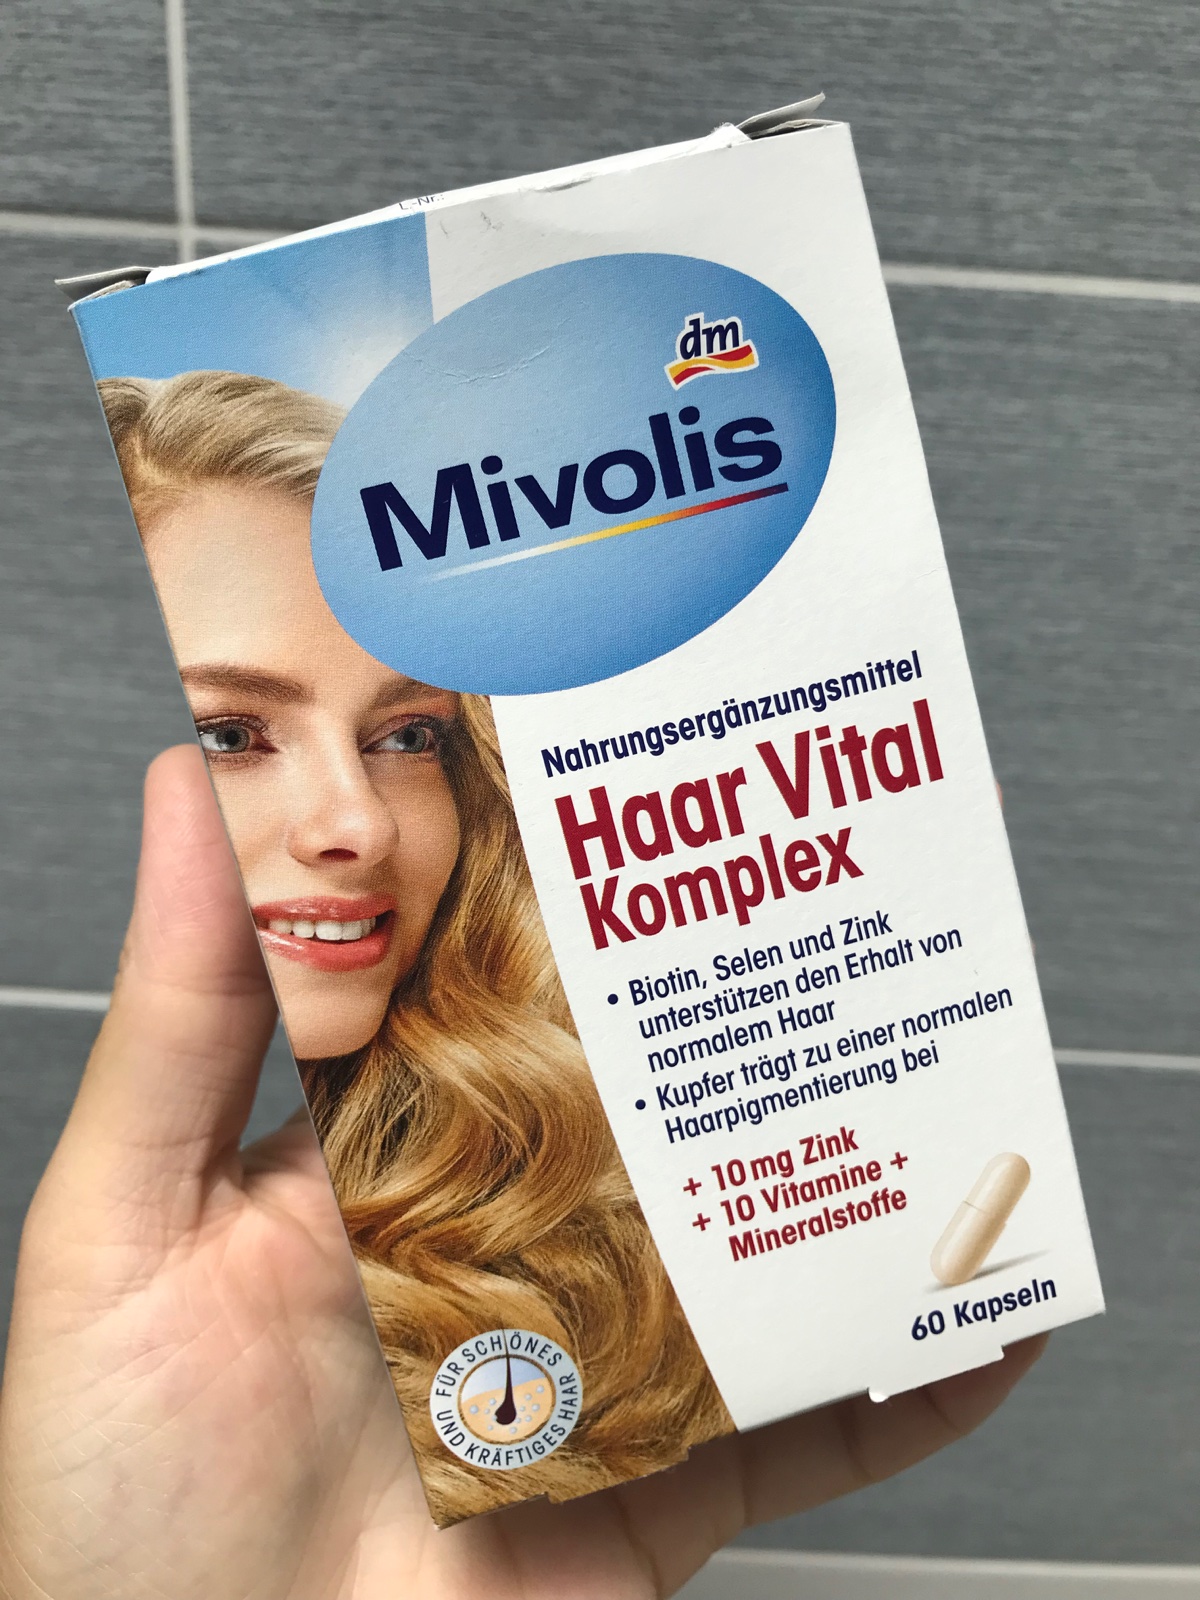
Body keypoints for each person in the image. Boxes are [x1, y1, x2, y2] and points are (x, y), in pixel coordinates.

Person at [0, 372, 1044, 1593]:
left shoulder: (590, 1182)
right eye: (232, 733)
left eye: (408, 737)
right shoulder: (192, 1336)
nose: (358, 823)